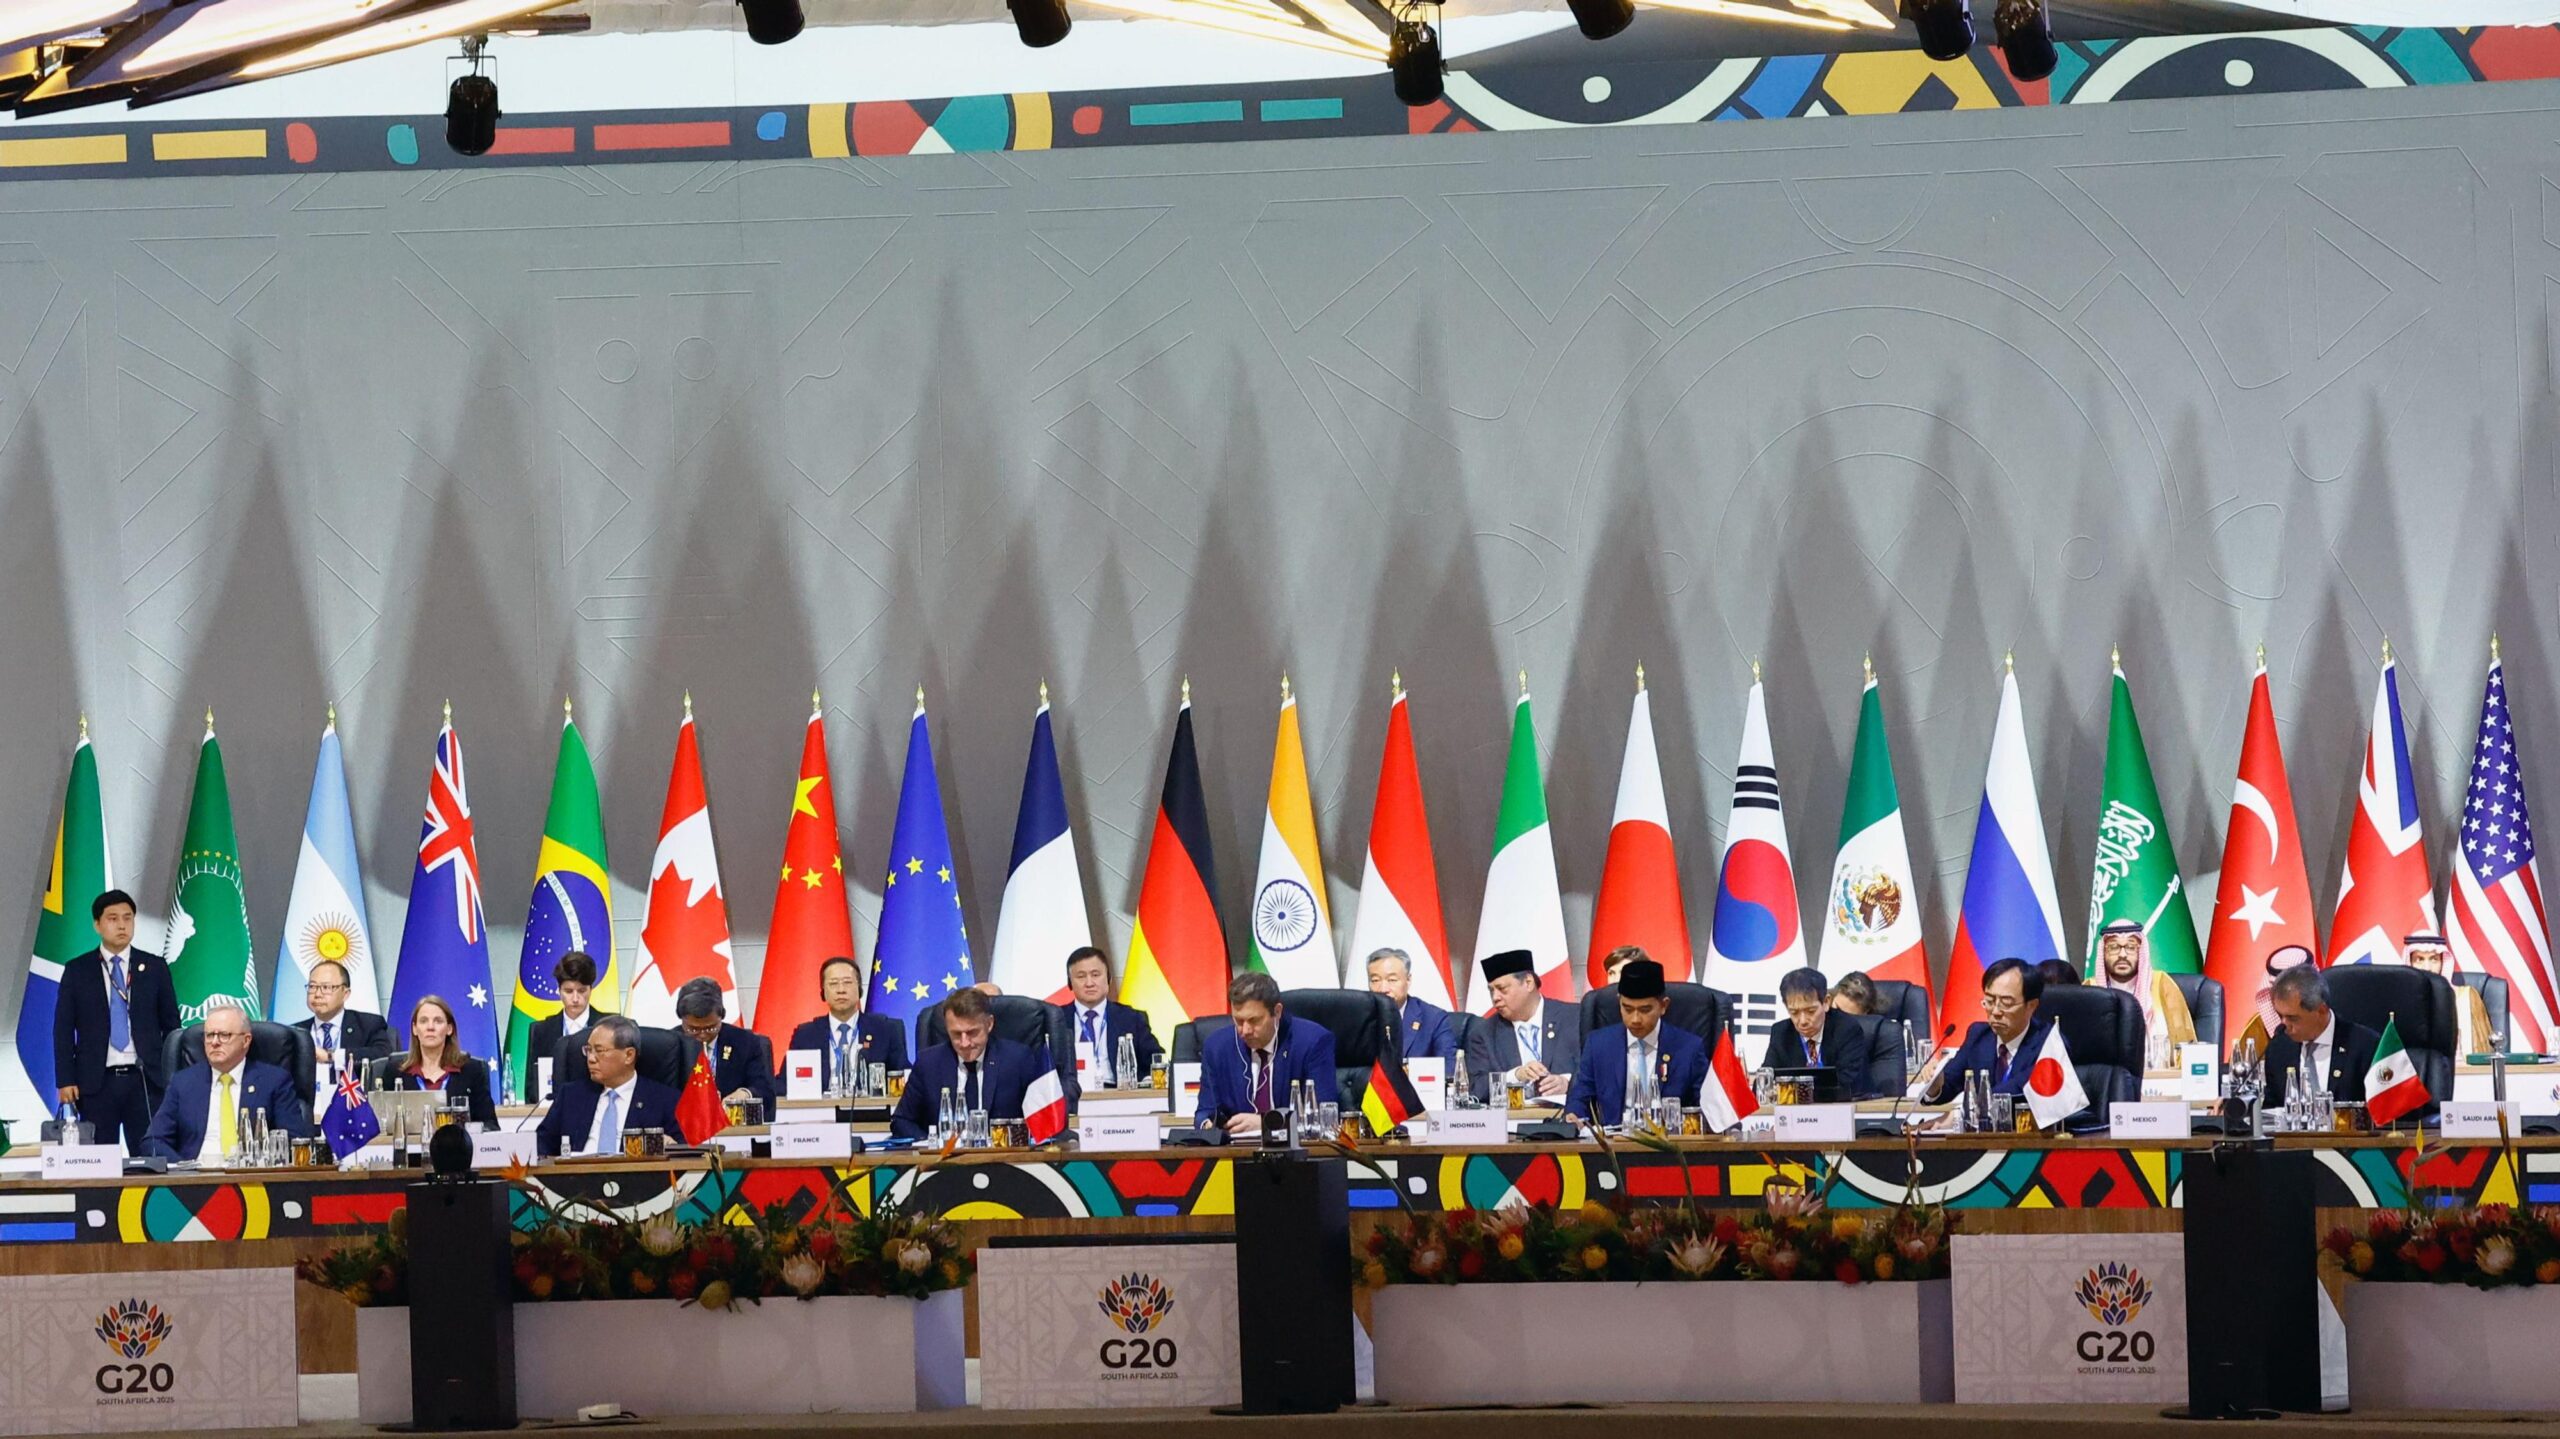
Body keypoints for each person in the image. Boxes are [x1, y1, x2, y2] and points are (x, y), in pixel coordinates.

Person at [54, 889, 182, 1153]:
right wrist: (65, 1079)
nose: (122, 925)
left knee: (151, 1157)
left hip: (146, 1080)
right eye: (113, 919)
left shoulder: (155, 967)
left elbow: (172, 1027)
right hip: (96, 1082)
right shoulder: (78, 970)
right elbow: (63, 1029)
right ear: (97, 925)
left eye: (127, 918)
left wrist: (173, 1077)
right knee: (98, 1161)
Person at [144, 1001, 310, 1160]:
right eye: (209, 1035)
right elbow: (153, 1141)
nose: (215, 1042)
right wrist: (183, 1169)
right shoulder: (183, 1083)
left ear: (246, 1040)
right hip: (195, 1173)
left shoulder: (273, 1081)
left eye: (224, 1035)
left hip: (250, 1175)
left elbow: (294, 1141)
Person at [892, 986, 1061, 1139]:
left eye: (972, 1033)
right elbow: (901, 1121)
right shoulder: (928, 1063)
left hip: (1002, 1158)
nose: (964, 1043)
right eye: (956, 1034)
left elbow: (1046, 1121)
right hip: (942, 1160)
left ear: (989, 1024)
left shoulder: (1018, 1059)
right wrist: (930, 1143)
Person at [1194, 972, 1338, 1136]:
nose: (1245, 1031)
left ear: (1277, 1012)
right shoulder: (1216, 1047)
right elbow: (1203, 1112)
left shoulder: (1313, 1042)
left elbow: (1324, 1115)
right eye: (1238, 1021)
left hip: (1295, 1149)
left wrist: (1267, 1122)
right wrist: (1208, 1126)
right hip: (1236, 1148)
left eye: (1254, 1020)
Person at [1565, 959, 1704, 1125]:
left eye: (1645, 1010)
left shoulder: (1689, 1048)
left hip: (1669, 1138)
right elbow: (1581, 1095)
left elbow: (1704, 1106)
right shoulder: (1598, 1045)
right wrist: (1574, 1115)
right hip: (1614, 1138)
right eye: (1628, 1009)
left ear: (1663, 1006)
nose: (1635, 1019)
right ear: (1619, 1002)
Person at [536, 1016, 681, 1157]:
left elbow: (684, 1150)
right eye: (588, 1050)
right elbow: (541, 1145)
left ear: (629, 1055)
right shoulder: (571, 1096)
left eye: (599, 1051)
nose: (590, 1059)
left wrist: (670, 1145)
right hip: (577, 1171)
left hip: (634, 1172)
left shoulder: (666, 1100)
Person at [1924, 958, 2055, 1103]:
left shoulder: (2050, 1042)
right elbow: (1950, 1083)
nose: (1996, 1011)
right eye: (1990, 1001)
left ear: (2031, 1006)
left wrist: (1974, 1107)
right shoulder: (1978, 1035)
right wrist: (1934, 1086)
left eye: (2006, 1003)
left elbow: (2021, 1088)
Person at [1462, 950, 1581, 1103]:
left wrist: (1568, 1083)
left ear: (1528, 983)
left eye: (1502, 989)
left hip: (1566, 1114)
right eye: (1491, 991)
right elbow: (1475, 1089)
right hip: (1512, 1116)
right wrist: (1515, 1076)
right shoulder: (1484, 1033)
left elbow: (1599, 1070)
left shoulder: (1574, 1018)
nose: (1495, 998)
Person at [367, 995, 498, 1130]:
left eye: (438, 1021)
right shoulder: (395, 1072)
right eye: (423, 1021)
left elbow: (491, 1125)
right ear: (415, 1029)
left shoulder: (471, 1070)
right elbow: (378, 1126)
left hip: (458, 1143)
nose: (430, 1027)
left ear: (449, 1029)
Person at [2263, 963, 2382, 1107]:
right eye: (2280, 1015)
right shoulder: (2278, 1049)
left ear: (2321, 1010)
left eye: (2292, 1018)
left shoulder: (2366, 1047)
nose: (2284, 1025)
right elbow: (2270, 1110)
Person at [1045, 946, 1162, 1090]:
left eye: (1095, 975)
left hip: (1120, 1095)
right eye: (1081, 976)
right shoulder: (1054, 1020)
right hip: (1070, 1095)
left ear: (1109, 978)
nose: (1089, 983)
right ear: (1070, 983)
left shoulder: (1131, 1018)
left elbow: (1157, 1060)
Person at [786, 956, 909, 1090]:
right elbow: (784, 1083)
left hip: (870, 1103)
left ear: (859, 988)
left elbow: (904, 1079)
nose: (841, 990)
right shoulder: (806, 1035)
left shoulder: (885, 1030)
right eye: (833, 984)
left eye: (847, 982)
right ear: (823, 991)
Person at [2094, 920, 2195, 1071]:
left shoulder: (2162, 985)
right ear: (2103, 952)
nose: (2122, 955)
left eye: (2131, 947)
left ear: (2141, 951)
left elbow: (2185, 1045)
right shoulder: (2090, 989)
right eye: (2114, 947)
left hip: (2159, 1078)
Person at [1763, 966, 1879, 1098]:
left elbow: (1848, 1085)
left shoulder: (1846, 1028)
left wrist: (1792, 1091)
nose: (1803, 1021)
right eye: (1794, 1012)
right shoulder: (1781, 1033)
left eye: (1811, 1011)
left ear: (1826, 1002)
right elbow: (1764, 1083)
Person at [673, 977, 779, 1112]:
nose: (702, 1035)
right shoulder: (669, 1045)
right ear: (681, 1018)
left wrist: (745, 1094)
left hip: (731, 1121)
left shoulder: (745, 1042)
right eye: (693, 1029)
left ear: (721, 1016)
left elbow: (765, 1090)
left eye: (710, 1028)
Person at [287, 959, 392, 1086]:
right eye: (312, 987)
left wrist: (331, 1056)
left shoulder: (368, 1024)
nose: (317, 994)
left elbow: (383, 1055)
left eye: (326, 987)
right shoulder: (294, 1033)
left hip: (353, 1097)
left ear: (345, 994)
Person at [524, 950, 612, 1099]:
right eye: (569, 991)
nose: (575, 998)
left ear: (591, 989)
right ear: (559, 991)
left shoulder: (610, 1027)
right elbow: (532, 1089)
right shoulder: (542, 1030)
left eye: (582, 991)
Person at [2404, 932, 2499, 1057]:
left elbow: (2481, 1054)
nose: (2427, 968)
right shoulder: (2400, 1003)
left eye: (2434, 959)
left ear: (2443, 962)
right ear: (2409, 963)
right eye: (2419, 959)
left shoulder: (2464, 998)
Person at [1364, 947, 1454, 1065]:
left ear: (1408, 980)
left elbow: (1447, 1068)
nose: (1383, 989)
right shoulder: (1358, 1019)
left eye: (1392, 980)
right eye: (1375, 980)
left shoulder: (1434, 1019)